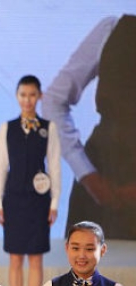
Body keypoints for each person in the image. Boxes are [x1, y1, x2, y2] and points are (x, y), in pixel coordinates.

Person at [41, 15, 136, 240]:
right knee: (88, 271)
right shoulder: (114, 30)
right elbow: (53, 101)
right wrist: (87, 174)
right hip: (104, 175)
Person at [0, 75, 61, 286]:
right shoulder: (7, 128)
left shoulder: (48, 128)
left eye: (32, 95)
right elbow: (0, 166)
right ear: (17, 96)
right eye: (23, 94)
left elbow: (54, 166)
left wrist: (54, 202)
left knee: (35, 258)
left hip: (38, 200)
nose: (27, 100)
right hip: (14, 198)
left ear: (39, 96)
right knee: (14, 258)